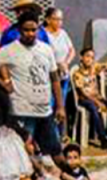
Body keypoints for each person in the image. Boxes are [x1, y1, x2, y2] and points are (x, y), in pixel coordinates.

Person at [0, 11, 67, 170]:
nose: (30, 33)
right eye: (26, 30)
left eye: (34, 30)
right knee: (23, 155)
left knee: (56, 153)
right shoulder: (10, 50)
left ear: (38, 29)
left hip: (44, 112)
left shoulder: (46, 49)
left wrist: (60, 106)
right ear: (19, 30)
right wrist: (5, 84)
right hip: (21, 112)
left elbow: (54, 79)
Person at [72, 47, 107, 150]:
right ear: (81, 57)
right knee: (94, 108)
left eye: (92, 57)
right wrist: (97, 103)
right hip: (85, 99)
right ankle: (103, 139)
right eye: (87, 56)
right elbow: (83, 93)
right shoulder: (77, 74)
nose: (90, 59)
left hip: (97, 97)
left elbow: (105, 65)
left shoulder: (94, 67)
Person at [44, 7, 74, 136]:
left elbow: (72, 50)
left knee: (60, 106)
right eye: (56, 19)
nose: (59, 22)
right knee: (50, 105)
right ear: (48, 19)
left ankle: (59, 136)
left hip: (64, 76)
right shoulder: (43, 34)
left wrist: (66, 63)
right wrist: (56, 64)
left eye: (61, 19)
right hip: (50, 76)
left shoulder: (63, 33)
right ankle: (50, 136)